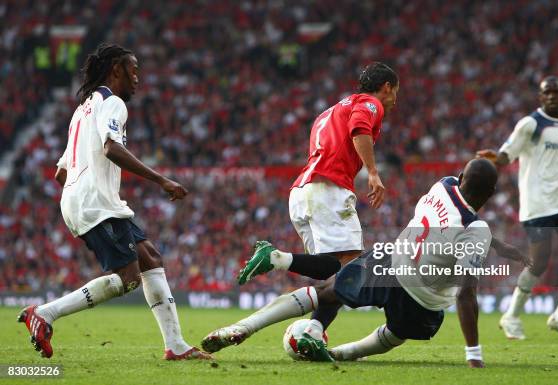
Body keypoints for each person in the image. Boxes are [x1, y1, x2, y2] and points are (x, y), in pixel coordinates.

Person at [203, 159, 526, 367]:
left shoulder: (442, 186)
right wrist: (473, 354)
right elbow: (466, 294)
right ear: (493, 193)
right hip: (423, 299)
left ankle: (243, 326)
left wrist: (498, 244)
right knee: (397, 335)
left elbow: (460, 226)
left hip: (390, 262)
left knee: (326, 292)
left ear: (461, 177)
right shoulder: (476, 230)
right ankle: (341, 354)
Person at [17, 43, 211, 360]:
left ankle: (176, 346)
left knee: (150, 257)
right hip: (96, 203)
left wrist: (85, 195)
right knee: (129, 279)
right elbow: (111, 149)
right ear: (116, 70)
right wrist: (161, 179)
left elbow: (60, 173)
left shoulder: (82, 110)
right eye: (133, 70)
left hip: (87, 200)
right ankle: (46, 314)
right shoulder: (113, 102)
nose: (137, 78)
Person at [236, 62, 399, 350]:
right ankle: (278, 260)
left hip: (302, 191)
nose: (395, 98)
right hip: (328, 189)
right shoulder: (370, 103)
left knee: (332, 274)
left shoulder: (330, 110)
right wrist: (372, 172)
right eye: (395, 91)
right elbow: (359, 129)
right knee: (351, 267)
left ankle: (313, 331)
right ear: (386, 87)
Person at [477, 76, 558, 341]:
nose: (552, 96)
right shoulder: (530, 124)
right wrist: (494, 158)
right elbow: (508, 154)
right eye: (547, 93)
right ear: (540, 97)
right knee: (539, 262)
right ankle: (510, 316)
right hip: (538, 203)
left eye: (556, 91)